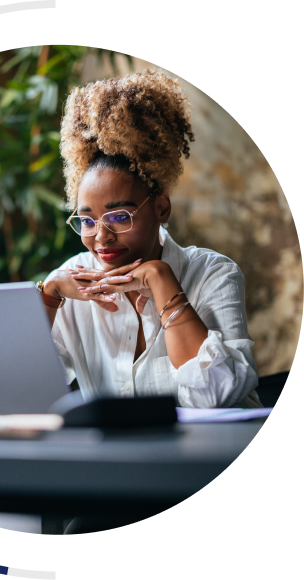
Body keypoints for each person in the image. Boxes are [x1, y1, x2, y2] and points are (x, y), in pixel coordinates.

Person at [39, 69, 262, 410]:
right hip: (120, 463)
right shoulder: (74, 280)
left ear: (160, 208)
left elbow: (217, 397)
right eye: (86, 220)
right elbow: (12, 388)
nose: (101, 236)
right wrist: (50, 296)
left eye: (119, 216)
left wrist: (161, 280)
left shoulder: (214, 274)